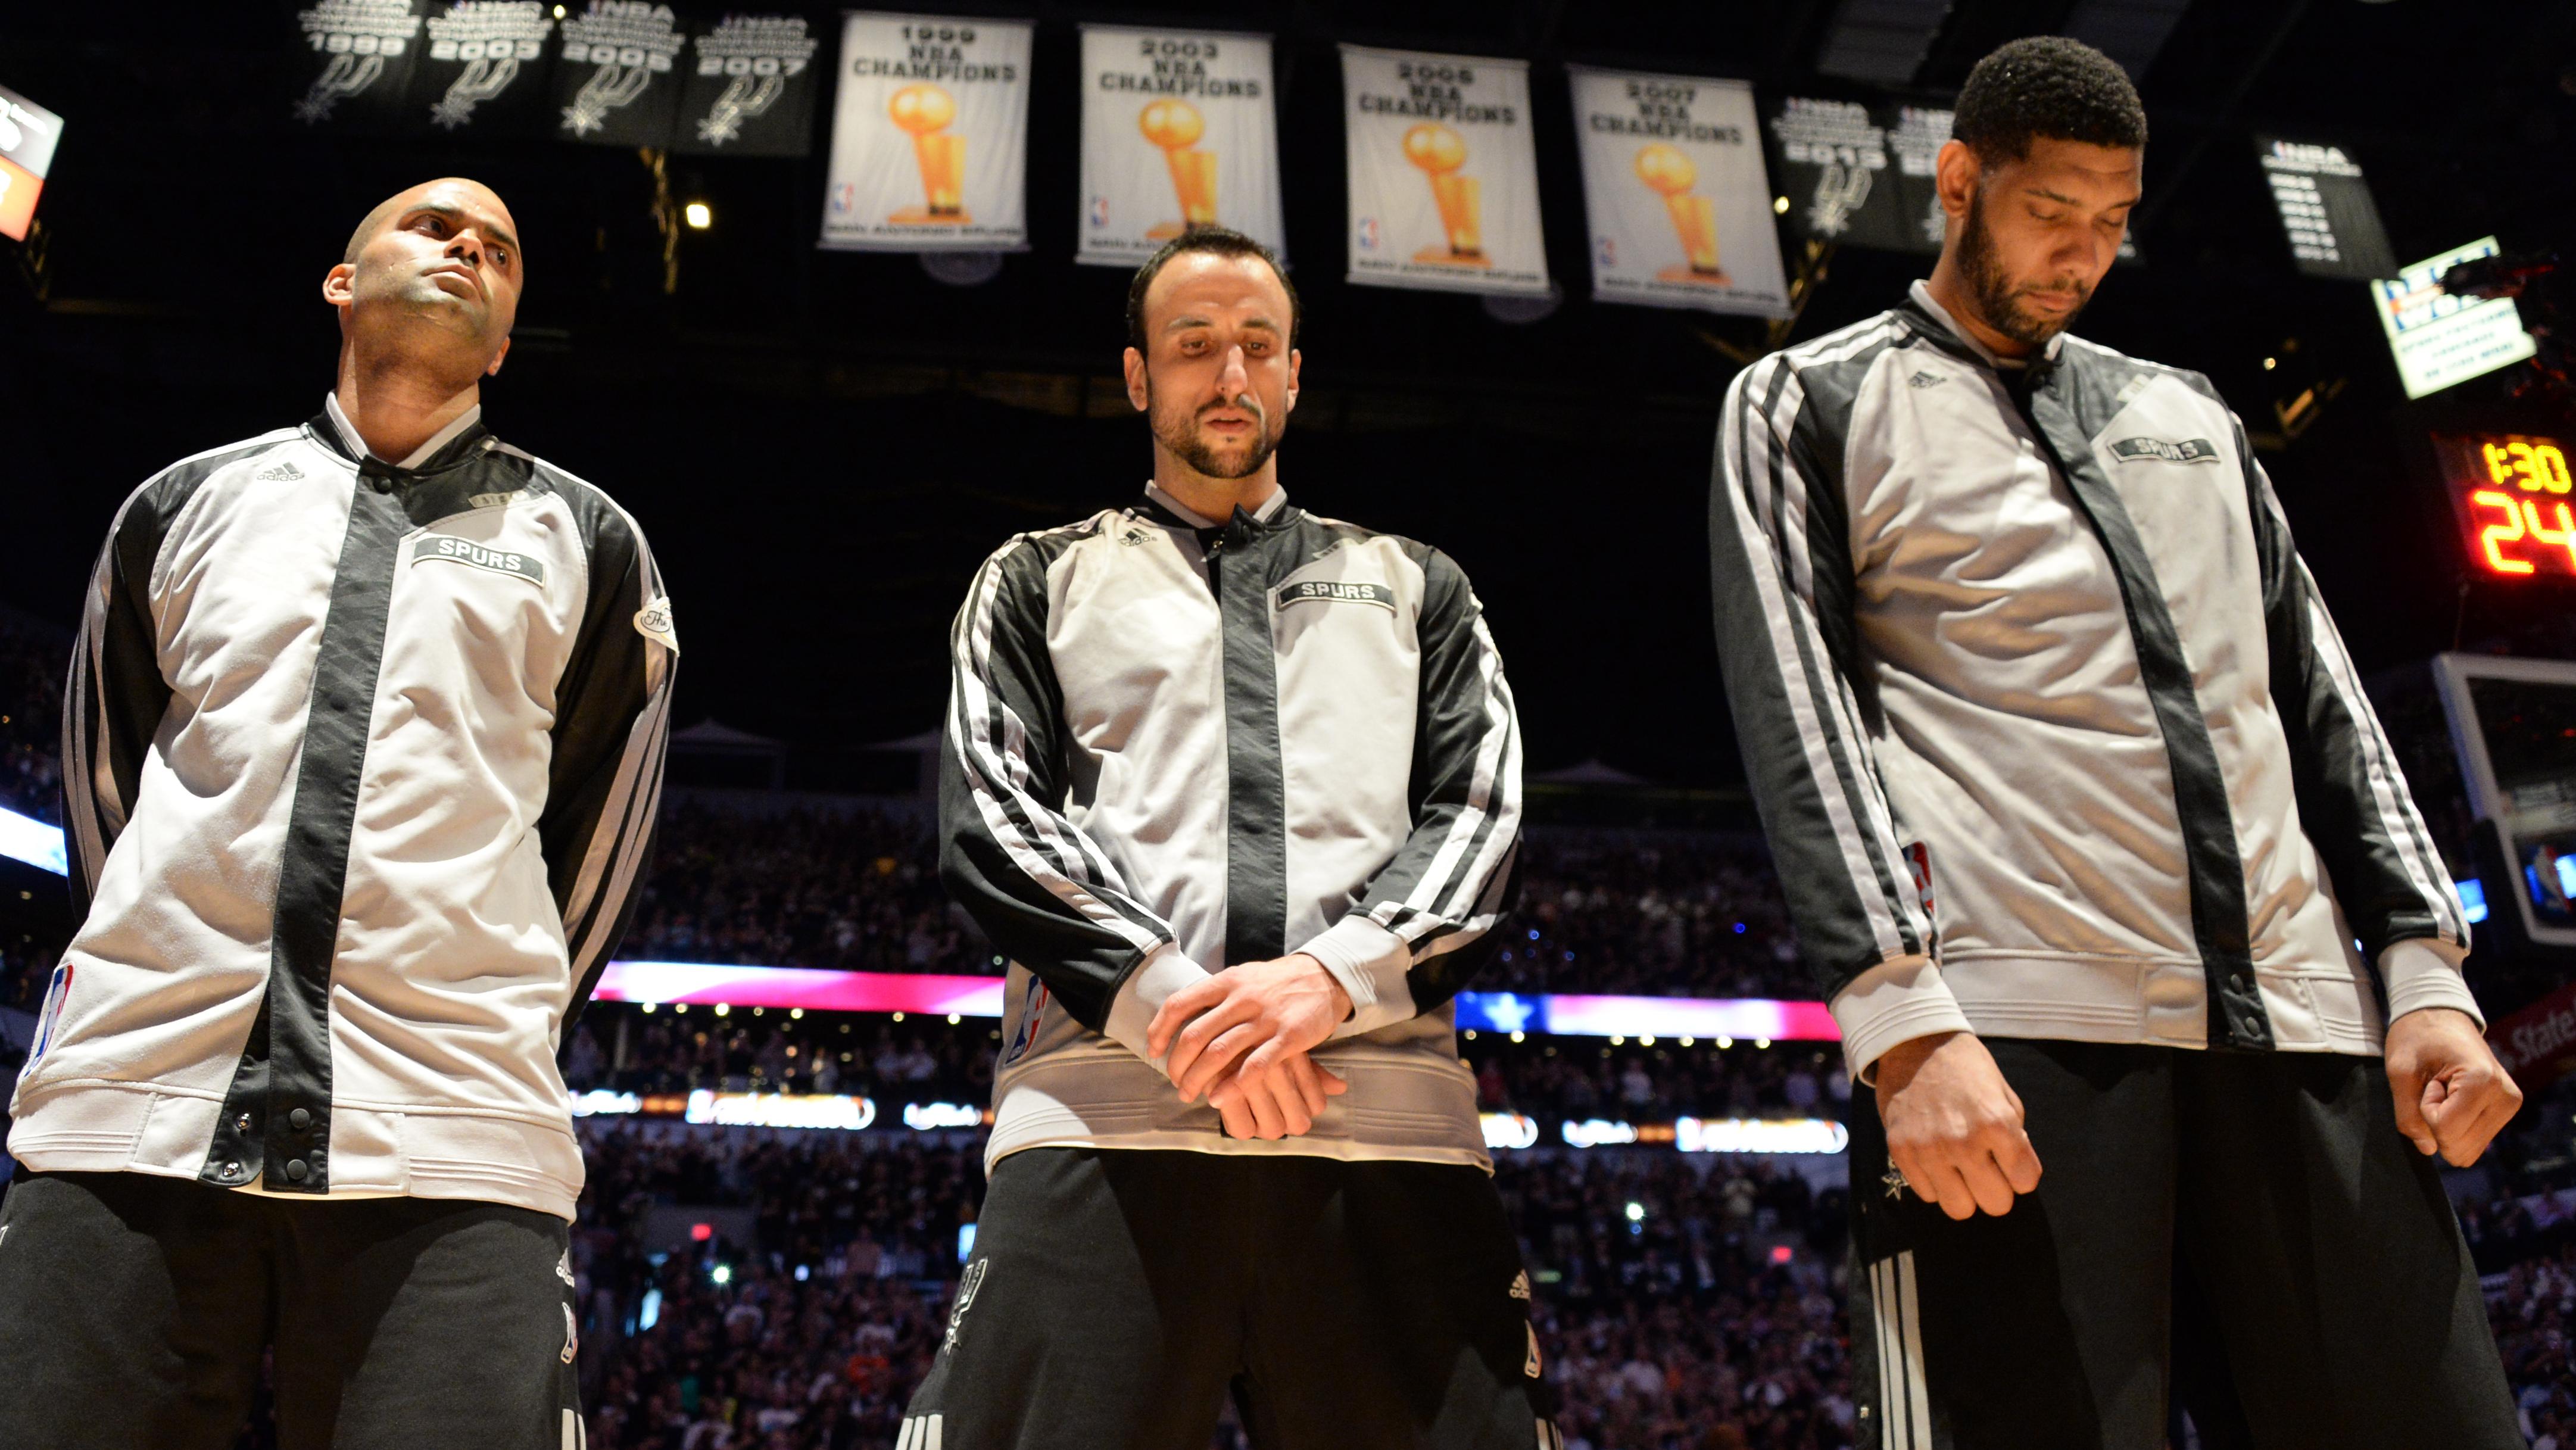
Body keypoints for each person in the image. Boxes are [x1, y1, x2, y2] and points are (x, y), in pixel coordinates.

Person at [1707, 38, 2522, 1450]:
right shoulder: (1808, 401)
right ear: (1959, 184)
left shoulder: (2193, 414)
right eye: (2050, 213)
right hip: (2021, 1041)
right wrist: (1900, 1027)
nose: (2083, 255)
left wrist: (2425, 971)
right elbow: (1801, 723)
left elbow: (2323, 705)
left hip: (2308, 1030)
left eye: (2112, 221)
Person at [0, 178, 675, 1449]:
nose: (470, 245)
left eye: (502, 251)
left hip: (456, 1134)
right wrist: (187, 961)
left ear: (506, 343)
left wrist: (473, 1007)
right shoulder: (178, 507)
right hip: (133, 1103)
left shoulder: (592, 541)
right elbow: (111, 795)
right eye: (433, 225)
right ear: (342, 281)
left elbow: (592, 854)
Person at [909, 226, 1549, 1448]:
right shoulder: (1036, 575)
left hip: (1385, 1128)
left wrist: (1324, 985)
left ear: (1297, 373)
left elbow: (1483, 816)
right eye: (1194, 346)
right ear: (1140, 377)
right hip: (1104, 1117)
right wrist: (1177, 1019)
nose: (1231, 373)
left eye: (1259, 344)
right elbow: (994, 819)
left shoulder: (1420, 584)